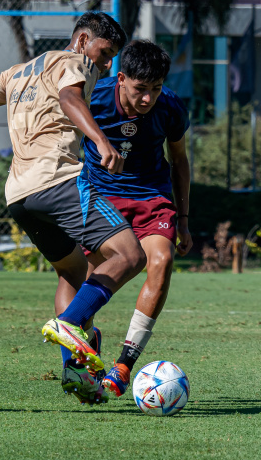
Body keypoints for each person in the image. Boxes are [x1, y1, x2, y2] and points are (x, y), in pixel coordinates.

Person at [0, 12, 146, 404]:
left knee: (73, 270)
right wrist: (102, 141)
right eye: (104, 52)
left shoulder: (18, 72)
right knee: (130, 255)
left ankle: (75, 370)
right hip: (57, 181)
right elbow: (69, 97)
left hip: (19, 196)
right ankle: (71, 324)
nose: (106, 64)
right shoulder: (76, 62)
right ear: (81, 39)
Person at [64, 39, 193, 397]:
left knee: (161, 259)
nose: (148, 99)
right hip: (101, 196)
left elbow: (179, 160)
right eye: (140, 89)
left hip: (151, 196)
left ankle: (124, 364)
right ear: (121, 79)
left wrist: (182, 219)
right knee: (88, 284)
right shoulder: (95, 97)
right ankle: (87, 349)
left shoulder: (170, 108)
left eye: (155, 89)